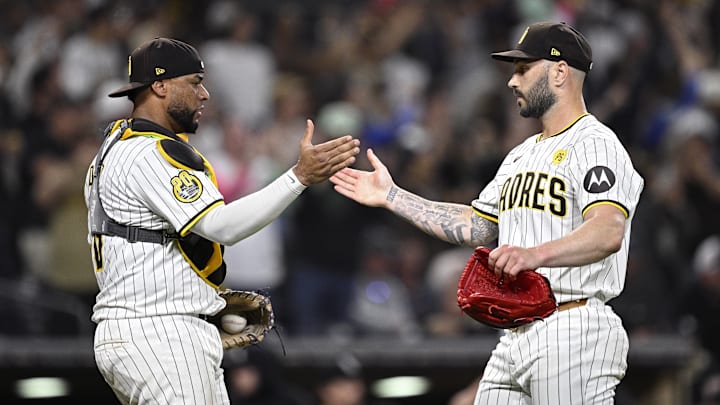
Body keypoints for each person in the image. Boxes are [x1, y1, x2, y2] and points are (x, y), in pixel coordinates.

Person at [330, 21, 644, 404]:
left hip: (573, 324)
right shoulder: (520, 155)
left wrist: (534, 254)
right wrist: (393, 196)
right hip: (516, 334)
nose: (513, 81)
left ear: (560, 71)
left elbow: (608, 230)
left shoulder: (596, 145)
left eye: (523, 68)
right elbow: (477, 226)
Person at [84, 37, 359, 404]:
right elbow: (221, 226)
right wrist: (300, 177)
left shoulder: (115, 146)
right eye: (194, 82)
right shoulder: (151, 151)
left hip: (145, 329)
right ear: (160, 86)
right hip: (161, 333)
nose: (205, 94)